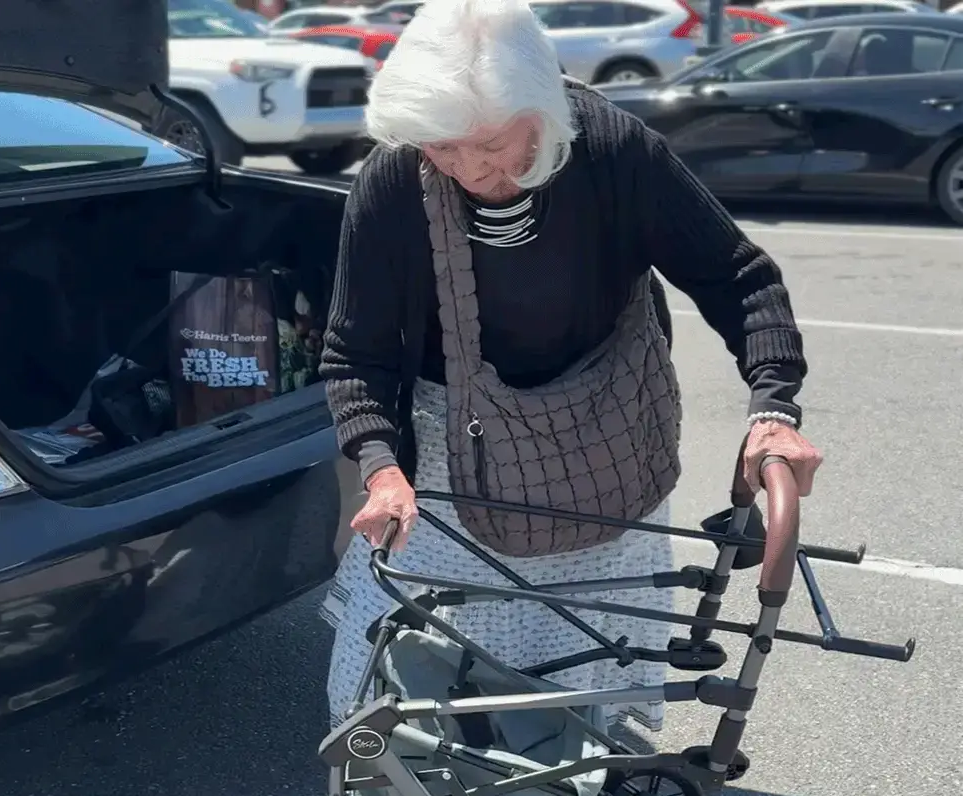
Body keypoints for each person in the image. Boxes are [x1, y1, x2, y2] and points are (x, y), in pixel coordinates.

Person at [319, 0, 822, 735]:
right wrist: (381, 468)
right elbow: (354, 350)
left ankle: (579, 765)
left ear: (543, 109)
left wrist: (773, 409)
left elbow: (738, 278)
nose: (471, 169)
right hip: (450, 447)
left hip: (605, 428)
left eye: (492, 145)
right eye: (445, 148)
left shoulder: (614, 150)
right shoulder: (396, 179)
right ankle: (427, 780)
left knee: (587, 645)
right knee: (412, 651)